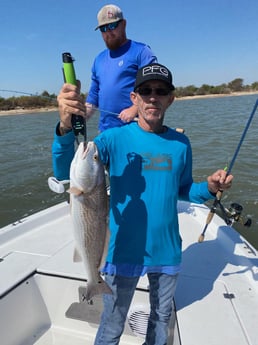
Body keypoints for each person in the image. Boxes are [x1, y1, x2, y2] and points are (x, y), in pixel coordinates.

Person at [52, 63, 233, 344]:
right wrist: (65, 128)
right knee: (112, 324)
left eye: (160, 91)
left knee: (161, 322)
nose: (153, 97)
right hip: (122, 250)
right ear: (134, 98)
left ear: (170, 99)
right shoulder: (112, 139)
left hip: (167, 251)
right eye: (145, 90)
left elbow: (183, 189)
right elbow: (68, 172)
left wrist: (208, 188)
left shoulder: (181, 143)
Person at [85, 4, 157, 132]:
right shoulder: (98, 59)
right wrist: (81, 117)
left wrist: (134, 109)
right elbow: (93, 95)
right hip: (105, 131)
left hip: (135, 129)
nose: (108, 32)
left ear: (123, 24)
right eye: (103, 28)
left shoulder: (142, 51)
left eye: (112, 26)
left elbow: (154, 86)